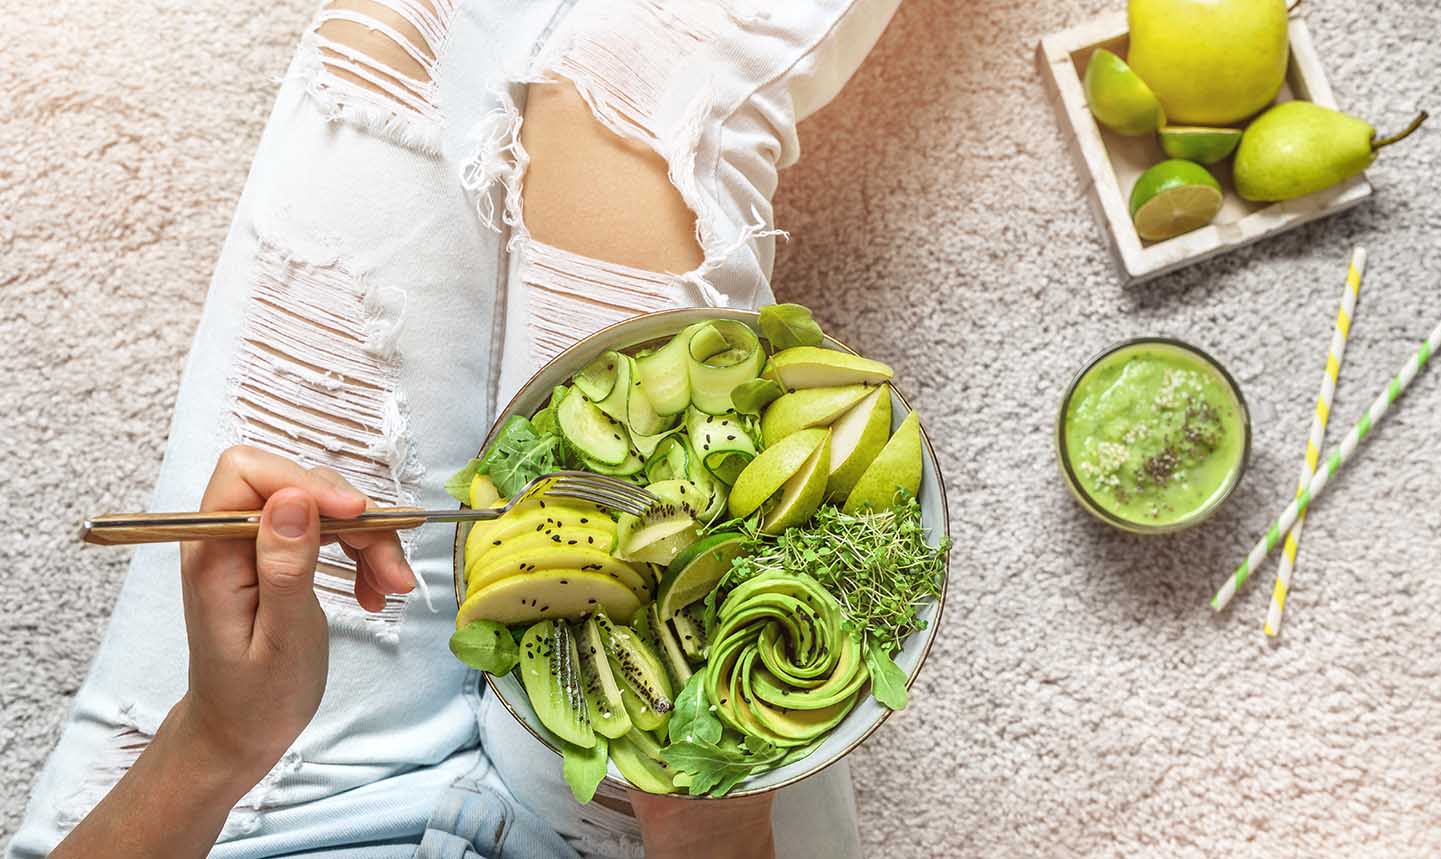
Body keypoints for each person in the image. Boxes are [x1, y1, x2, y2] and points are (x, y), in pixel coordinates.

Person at [8, 1, 899, 857]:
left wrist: (212, 740)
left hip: (240, 810)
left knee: (401, 37)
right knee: (642, 76)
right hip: (664, 820)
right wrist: (715, 839)